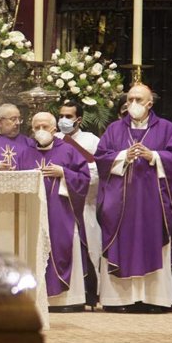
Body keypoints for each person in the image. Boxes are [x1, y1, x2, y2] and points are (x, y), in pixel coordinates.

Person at [94, 84, 172, 313]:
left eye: (138, 99)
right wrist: (124, 156)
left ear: (149, 104)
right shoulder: (114, 129)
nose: (133, 104)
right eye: (130, 99)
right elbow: (101, 158)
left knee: (152, 241)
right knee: (121, 242)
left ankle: (154, 299)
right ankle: (118, 300)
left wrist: (153, 156)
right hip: (121, 204)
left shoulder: (166, 128)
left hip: (153, 202)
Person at [18, 112, 92, 312]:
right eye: (37, 127)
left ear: (54, 129)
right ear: (32, 130)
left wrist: (64, 174)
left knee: (63, 245)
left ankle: (67, 301)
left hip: (61, 212)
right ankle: (36, 297)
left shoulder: (68, 150)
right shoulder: (24, 152)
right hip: (33, 212)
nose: (41, 131)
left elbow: (85, 178)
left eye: (45, 126)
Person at [55, 100, 101, 304]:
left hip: (85, 205)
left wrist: (65, 174)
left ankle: (90, 294)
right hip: (59, 205)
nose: (63, 120)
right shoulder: (54, 138)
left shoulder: (91, 141)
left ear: (79, 119)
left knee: (90, 250)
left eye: (68, 116)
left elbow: (96, 172)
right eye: (61, 115)